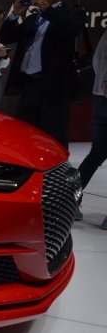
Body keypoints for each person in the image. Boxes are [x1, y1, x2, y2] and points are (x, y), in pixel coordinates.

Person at [0, 0, 84, 148]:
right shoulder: (34, 18)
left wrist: (47, 9)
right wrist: (15, 13)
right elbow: (5, 37)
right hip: (30, 85)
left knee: (54, 139)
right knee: (25, 137)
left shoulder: (72, 13)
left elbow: (70, 30)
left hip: (54, 87)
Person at [76, 30, 107, 229]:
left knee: (96, 154)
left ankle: (69, 202)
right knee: (96, 154)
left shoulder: (104, 36)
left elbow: (97, 63)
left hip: (100, 99)